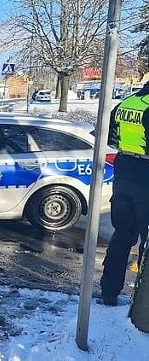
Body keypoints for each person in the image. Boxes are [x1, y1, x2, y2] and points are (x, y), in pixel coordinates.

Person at [99, 80, 149, 306]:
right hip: (146, 176)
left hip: (124, 173)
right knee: (147, 245)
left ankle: (109, 293)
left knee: (122, 236)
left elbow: (110, 138)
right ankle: (142, 305)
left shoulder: (127, 103)